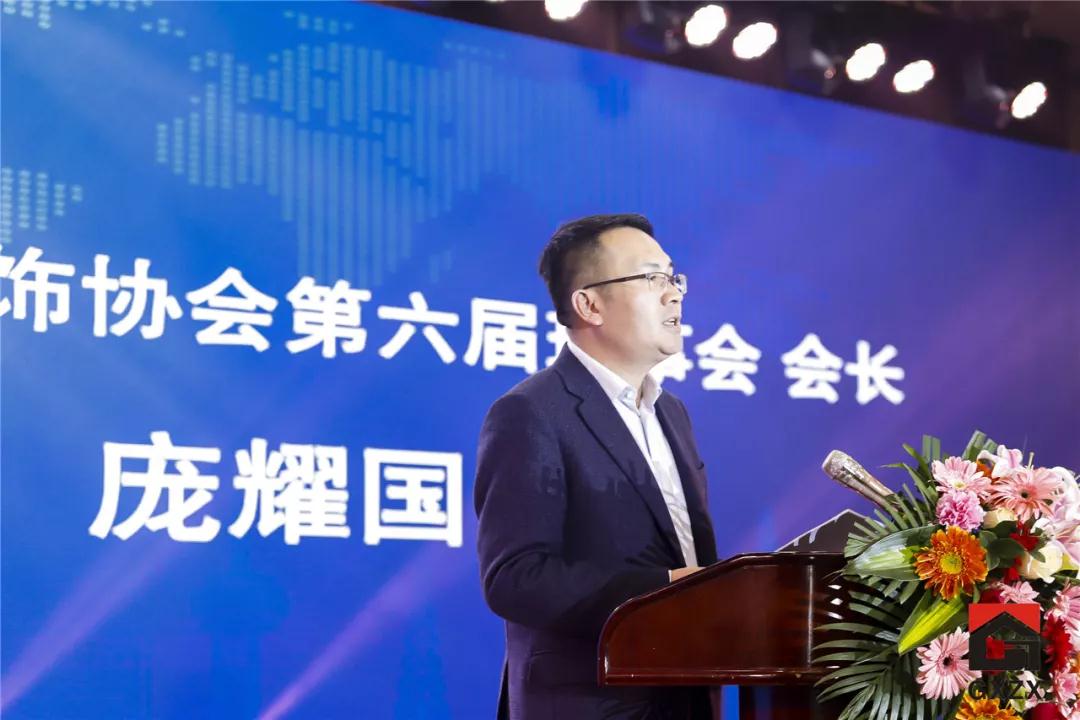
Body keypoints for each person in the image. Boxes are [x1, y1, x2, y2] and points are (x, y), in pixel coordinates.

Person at [474, 214, 718, 719]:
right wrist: (667, 588)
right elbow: (514, 578)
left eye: (673, 277)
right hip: (590, 701)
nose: (674, 294)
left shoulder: (672, 413)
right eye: (652, 278)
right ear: (589, 304)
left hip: (686, 695)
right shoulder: (531, 413)